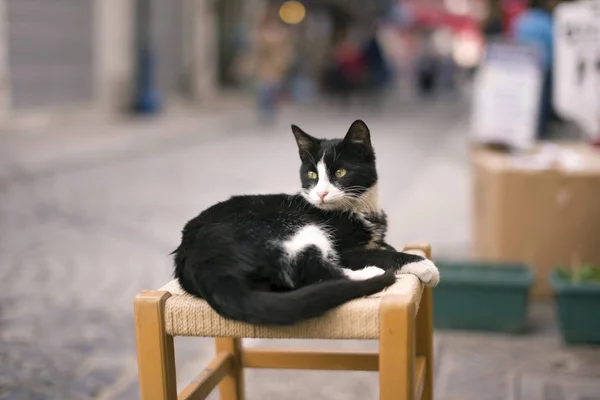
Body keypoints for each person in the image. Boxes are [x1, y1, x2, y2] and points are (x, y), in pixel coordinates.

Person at [511, 0, 557, 138]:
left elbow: (514, 41)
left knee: (525, 100)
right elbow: (553, 45)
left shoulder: (521, 20)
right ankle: (539, 133)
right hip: (543, 67)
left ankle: (522, 131)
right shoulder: (547, 22)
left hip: (523, 67)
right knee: (541, 103)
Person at [251, 9, 293, 124]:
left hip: (277, 68)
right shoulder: (261, 35)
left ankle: (270, 114)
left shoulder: (282, 35)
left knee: (272, 92)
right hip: (264, 67)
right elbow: (257, 52)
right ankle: (264, 114)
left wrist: (284, 64)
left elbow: (286, 53)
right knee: (264, 92)